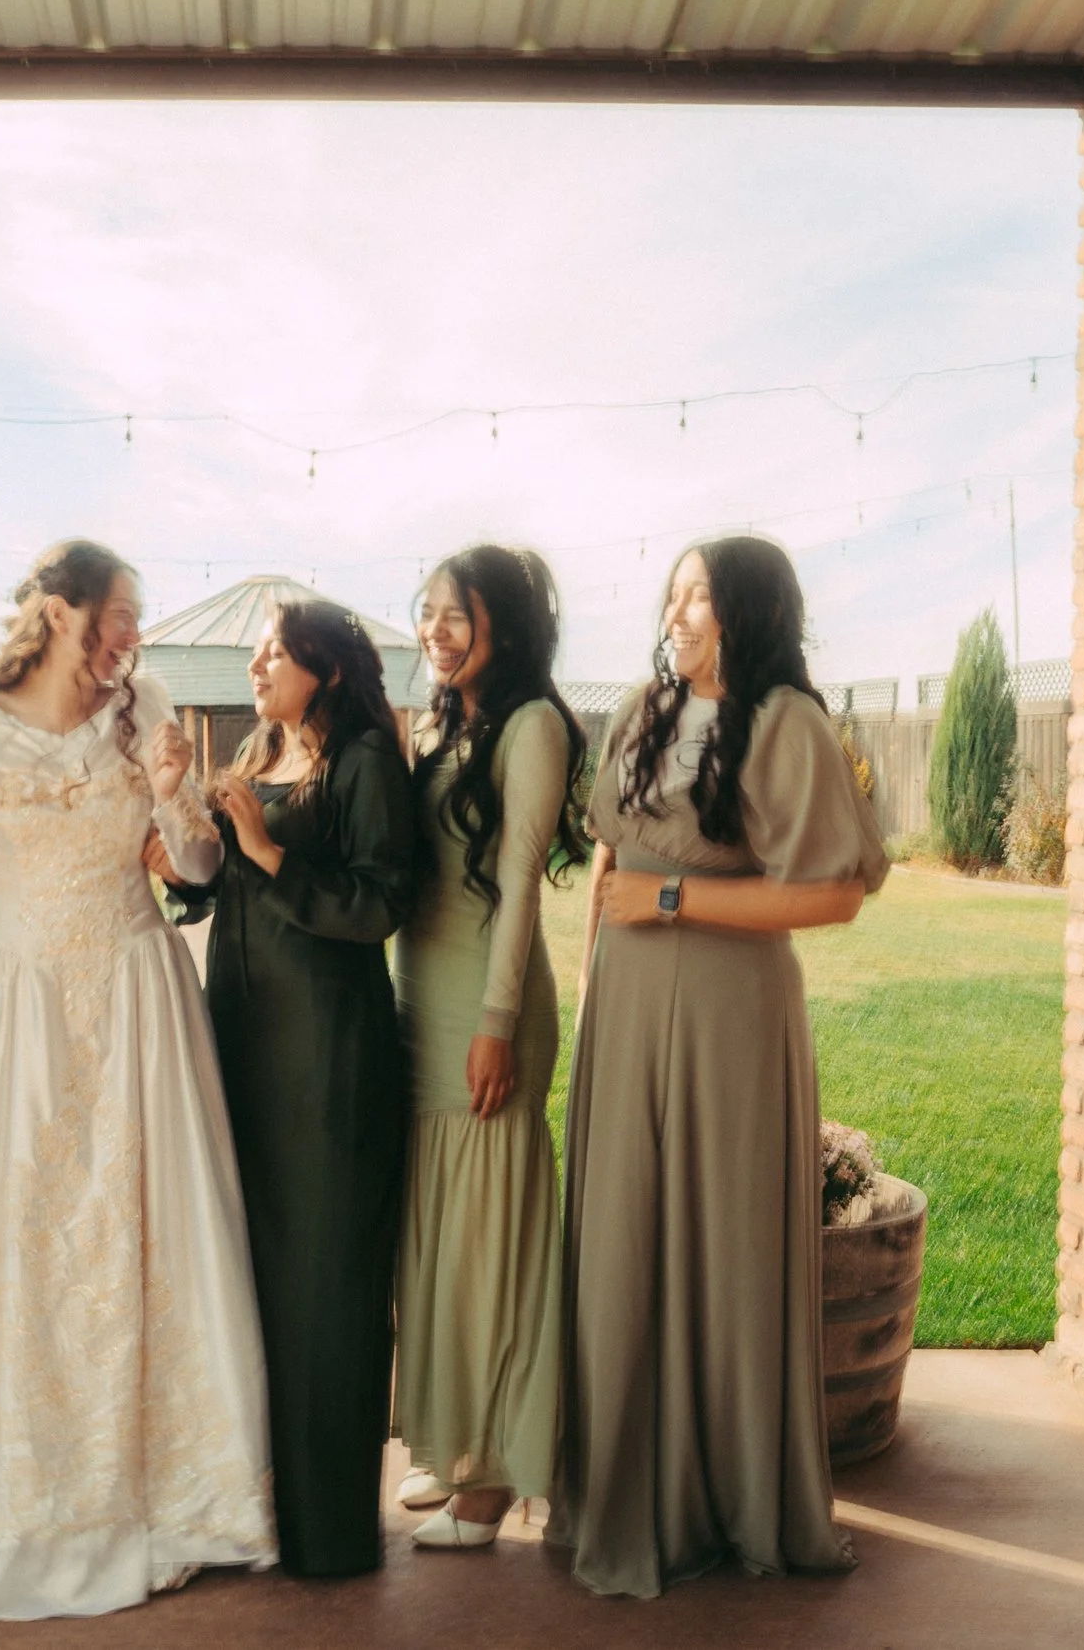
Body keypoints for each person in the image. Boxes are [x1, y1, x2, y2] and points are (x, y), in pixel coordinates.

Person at [0, 540, 278, 1619]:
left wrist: (176, 796)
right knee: (28, 1249)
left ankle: (166, 1487)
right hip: (14, 1016)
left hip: (139, 999)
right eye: (118, 615)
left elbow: (193, 869)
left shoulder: (145, 705)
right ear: (58, 613)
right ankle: (25, 1496)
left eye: (135, 618)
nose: (130, 636)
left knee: (143, 1243)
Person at [552, 534, 885, 1598]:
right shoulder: (642, 714)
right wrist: (598, 986)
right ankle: (624, 1484)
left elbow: (832, 893)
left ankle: (728, 1492)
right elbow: (609, 857)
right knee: (623, 1235)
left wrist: (672, 900)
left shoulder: (788, 723)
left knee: (722, 1235)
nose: (680, 608)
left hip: (733, 1014)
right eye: (673, 590)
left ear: (748, 610)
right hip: (630, 1006)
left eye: (703, 593)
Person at [162, 599, 417, 1578]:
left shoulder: (364, 760)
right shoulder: (256, 748)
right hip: (241, 1029)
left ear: (332, 667)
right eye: (257, 648)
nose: (256, 661)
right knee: (254, 1266)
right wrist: (192, 853)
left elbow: (381, 901)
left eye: (276, 649)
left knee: (328, 1283)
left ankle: (332, 1528)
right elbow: (227, 883)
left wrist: (264, 853)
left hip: (326, 1050)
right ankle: (255, 1505)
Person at [392, 545, 588, 1551]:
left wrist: (497, 1023)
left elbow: (518, 884)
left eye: (456, 612)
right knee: (436, 1229)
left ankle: (499, 1473)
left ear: (501, 623)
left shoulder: (533, 724)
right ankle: (454, 1436)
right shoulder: (442, 724)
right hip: (420, 996)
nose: (436, 627)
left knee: (491, 1235)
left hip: (487, 1001)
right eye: (426, 611)